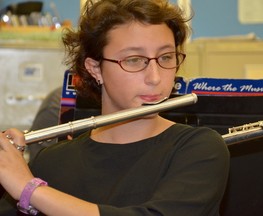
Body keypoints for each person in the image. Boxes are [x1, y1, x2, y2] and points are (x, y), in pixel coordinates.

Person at [0, 0, 230, 215]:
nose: (155, 77)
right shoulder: (51, 162)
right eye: (133, 60)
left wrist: (29, 190)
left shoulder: (200, 148)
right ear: (95, 68)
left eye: (166, 57)